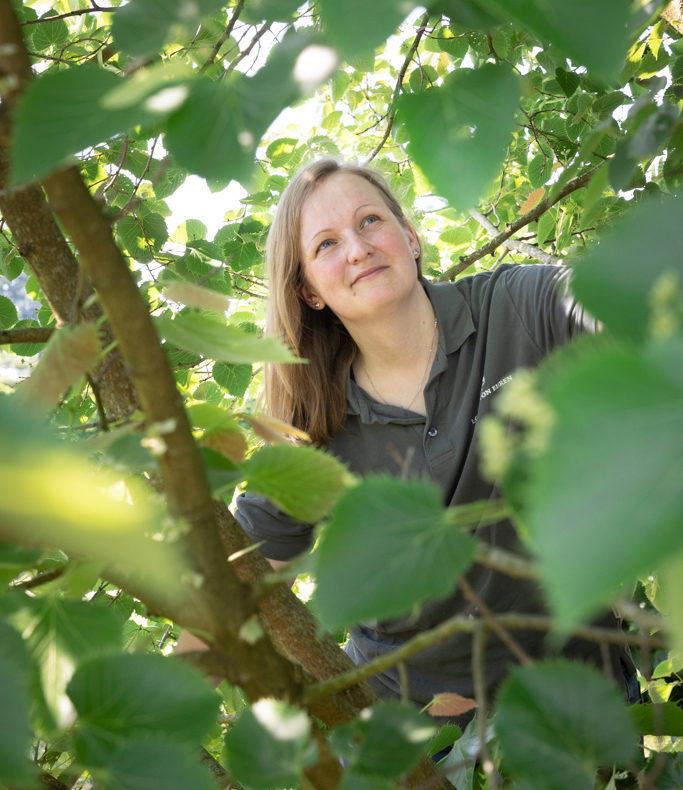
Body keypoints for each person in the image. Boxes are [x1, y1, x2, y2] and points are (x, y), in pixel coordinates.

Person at [233, 158, 638, 726]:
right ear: (308, 291)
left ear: (410, 236)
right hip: (418, 746)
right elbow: (229, 579)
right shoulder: (311, 433)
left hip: (585, 707)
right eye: (325, 244)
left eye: (370, 221)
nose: (357, 248)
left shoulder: (516, 306)